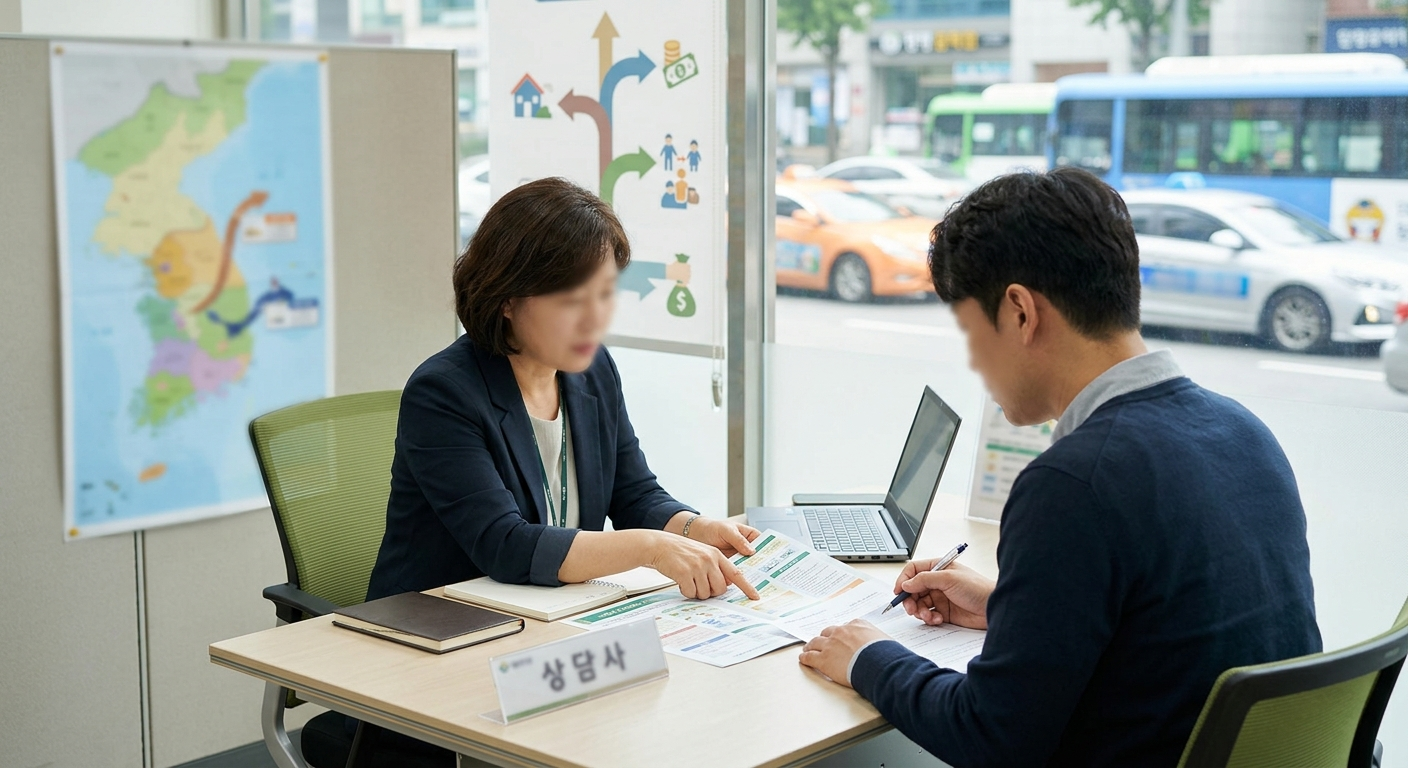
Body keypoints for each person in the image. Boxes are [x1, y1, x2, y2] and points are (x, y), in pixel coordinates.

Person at [798, 168, 1321, 766]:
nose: (973, 361)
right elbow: (1173, 634)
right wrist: (1007, 610)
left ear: (1020, 312)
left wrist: (869, 655)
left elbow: (990, 737)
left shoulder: (1074, 483)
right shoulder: (1245, 432)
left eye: (971, 331)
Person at [367, 176, 761, 605]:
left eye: (606, 293)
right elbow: (506, 545)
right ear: (507, 298)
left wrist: (695, 529)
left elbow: (634, 494)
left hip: (550, 617)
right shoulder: (442, 394)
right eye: (573, 300)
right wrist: (652, 549)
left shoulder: (591, 371)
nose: (595, 320)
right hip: (437, 624)